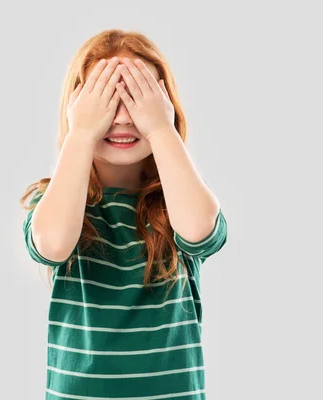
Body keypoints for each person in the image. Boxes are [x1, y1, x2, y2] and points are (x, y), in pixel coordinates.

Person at [20, 29, 228, 400]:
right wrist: (81, 134)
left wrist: (161, 127)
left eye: (137, 97)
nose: (121, 118)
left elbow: (199, 229)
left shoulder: (178, 199)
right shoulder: (57, 201)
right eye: (104, 99)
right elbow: (50, 243)